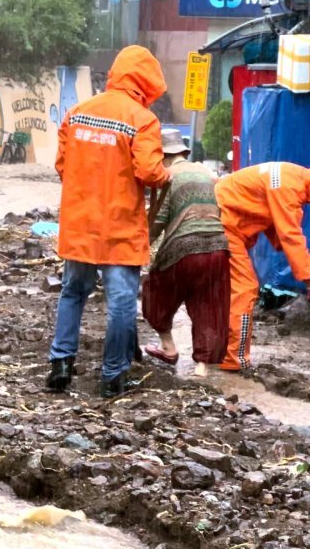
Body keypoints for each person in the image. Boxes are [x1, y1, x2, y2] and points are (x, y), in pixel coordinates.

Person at [45, 45, 171, 398]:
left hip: (80, 224)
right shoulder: (142, 120)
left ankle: (61, 364)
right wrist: (164, 178)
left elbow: (62, 167)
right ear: (147, 81)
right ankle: (113, 375)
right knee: (121, 303)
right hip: (119, 229)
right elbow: (148, 170)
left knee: (72, 292)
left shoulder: (78, 112)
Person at [141, 129, 229, 378]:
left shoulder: (167, 176)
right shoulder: (205, 173)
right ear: (183, 151)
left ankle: (168, 347)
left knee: (156, 290)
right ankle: (202, 365)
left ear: (161, 155)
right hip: (218, 247)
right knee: (207, 302)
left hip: (183, 249)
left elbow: (158, 219)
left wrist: (142, 245)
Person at [214, 162, 310, 373]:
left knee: (228, 291)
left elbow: (280, 233)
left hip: (221, 220)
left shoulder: (293, 178)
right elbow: (289, 236)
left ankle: (217, 351)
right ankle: (234, 359)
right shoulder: (288, 187)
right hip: (222, 224)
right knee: (245, 288)